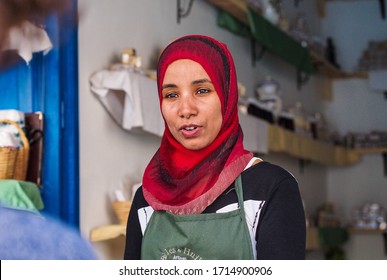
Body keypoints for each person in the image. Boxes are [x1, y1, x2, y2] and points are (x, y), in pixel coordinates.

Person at [124, 34, 306, 260]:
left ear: (227, 96)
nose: (186, 109)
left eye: (202, 90)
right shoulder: (148, 197)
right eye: (171, 95)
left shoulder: (271, 188)